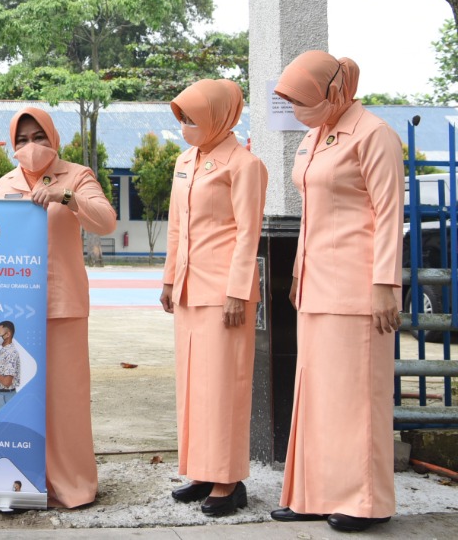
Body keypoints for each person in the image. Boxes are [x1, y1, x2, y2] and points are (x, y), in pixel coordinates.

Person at [271, 52, 402, 533]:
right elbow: (313, 214)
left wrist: (385, 284)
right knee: (316, 395)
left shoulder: (374, 134)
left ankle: (365, 500)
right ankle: (312, 494)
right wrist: (298, 275)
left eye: (303, 99)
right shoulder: (313, 136)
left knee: (356, 399)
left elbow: (389, 213)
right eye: (291, 101)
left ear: (335, 91)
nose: (297, 109)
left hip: (358, 286)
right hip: (315, 286)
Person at [0, 106, 117, 509]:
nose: (32, 147)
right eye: (23, 140)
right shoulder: (4, 184)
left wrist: (68, 196)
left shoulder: (77, 175)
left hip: (62, 304)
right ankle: (25, 480)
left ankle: (73, 483)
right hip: (13, 308)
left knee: (66, 398)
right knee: (15, 395)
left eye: (39, 137)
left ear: (53, 138)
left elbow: (106, 221)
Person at [160, 79, 266, 518]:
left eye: (192, 118)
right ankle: (202, 470)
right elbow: (176, 226)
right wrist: (169, 280)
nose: (185, 126)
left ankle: (229, 480)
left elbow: (248, 233)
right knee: (194, 388)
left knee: (224, 388)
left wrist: (238, 291)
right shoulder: (186, 161)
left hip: (226, 292)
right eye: (182, 118)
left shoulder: (244, 165)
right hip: (188, 288)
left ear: (219, 116)